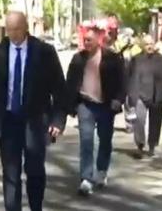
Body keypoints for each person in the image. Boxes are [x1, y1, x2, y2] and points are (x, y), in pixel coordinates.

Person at [0, 12, 67, 211]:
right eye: (9, 29)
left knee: (35, 171)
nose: (13, 34)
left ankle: (35, 206)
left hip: (36, 121)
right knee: (10, 173)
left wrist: (58, 120)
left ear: (25, 27)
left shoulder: (44, 52)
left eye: (17, 29)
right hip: (8, 121)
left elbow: (59, 88)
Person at [64, 27, 126, 197]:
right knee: (86, 141)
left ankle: (101, 170)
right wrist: (70, 105)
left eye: (90, 40)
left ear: (99, 40)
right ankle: (85, 178)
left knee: (105, 140)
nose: (86, 43)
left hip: (106, 106)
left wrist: (118, 100)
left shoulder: (112, 59)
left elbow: (122, 81)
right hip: (85, 105)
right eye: (85, 40)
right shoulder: (78, 59)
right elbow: (70, 83)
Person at [127, 34, 162, 158]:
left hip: (157, 96)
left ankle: (152, 145)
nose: (150, 46)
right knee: (139, 121)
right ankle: (140, 145)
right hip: (140, 95)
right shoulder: (136, 60)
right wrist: (131, 94)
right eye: (147, 44)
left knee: (156, 122)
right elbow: (129, 77)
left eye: (151, 44)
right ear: (142, 46)